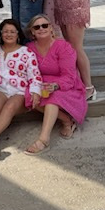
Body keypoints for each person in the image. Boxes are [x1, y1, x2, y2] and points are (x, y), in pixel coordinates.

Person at [0, 19, 42, 160]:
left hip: (20, 91)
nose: (9, 34)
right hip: (1, 89)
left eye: (12, 31)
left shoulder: (26, 52)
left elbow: (35, 75)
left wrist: (35, 92)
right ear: (0, 34)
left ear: (18, 34)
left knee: (10, 107)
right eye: (5, 31)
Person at [24, 14, 87, 154]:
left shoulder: (63, 47)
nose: (41, 29)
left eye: (45, 25)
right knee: (30, 95)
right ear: (32, 32)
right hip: (41, 83)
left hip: (66, 85)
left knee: (52, 98)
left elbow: (69, 76)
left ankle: (43, 139)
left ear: (51, 28)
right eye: (37, 27)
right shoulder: (29, 48)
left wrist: (56, 85)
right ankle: (67, 120)